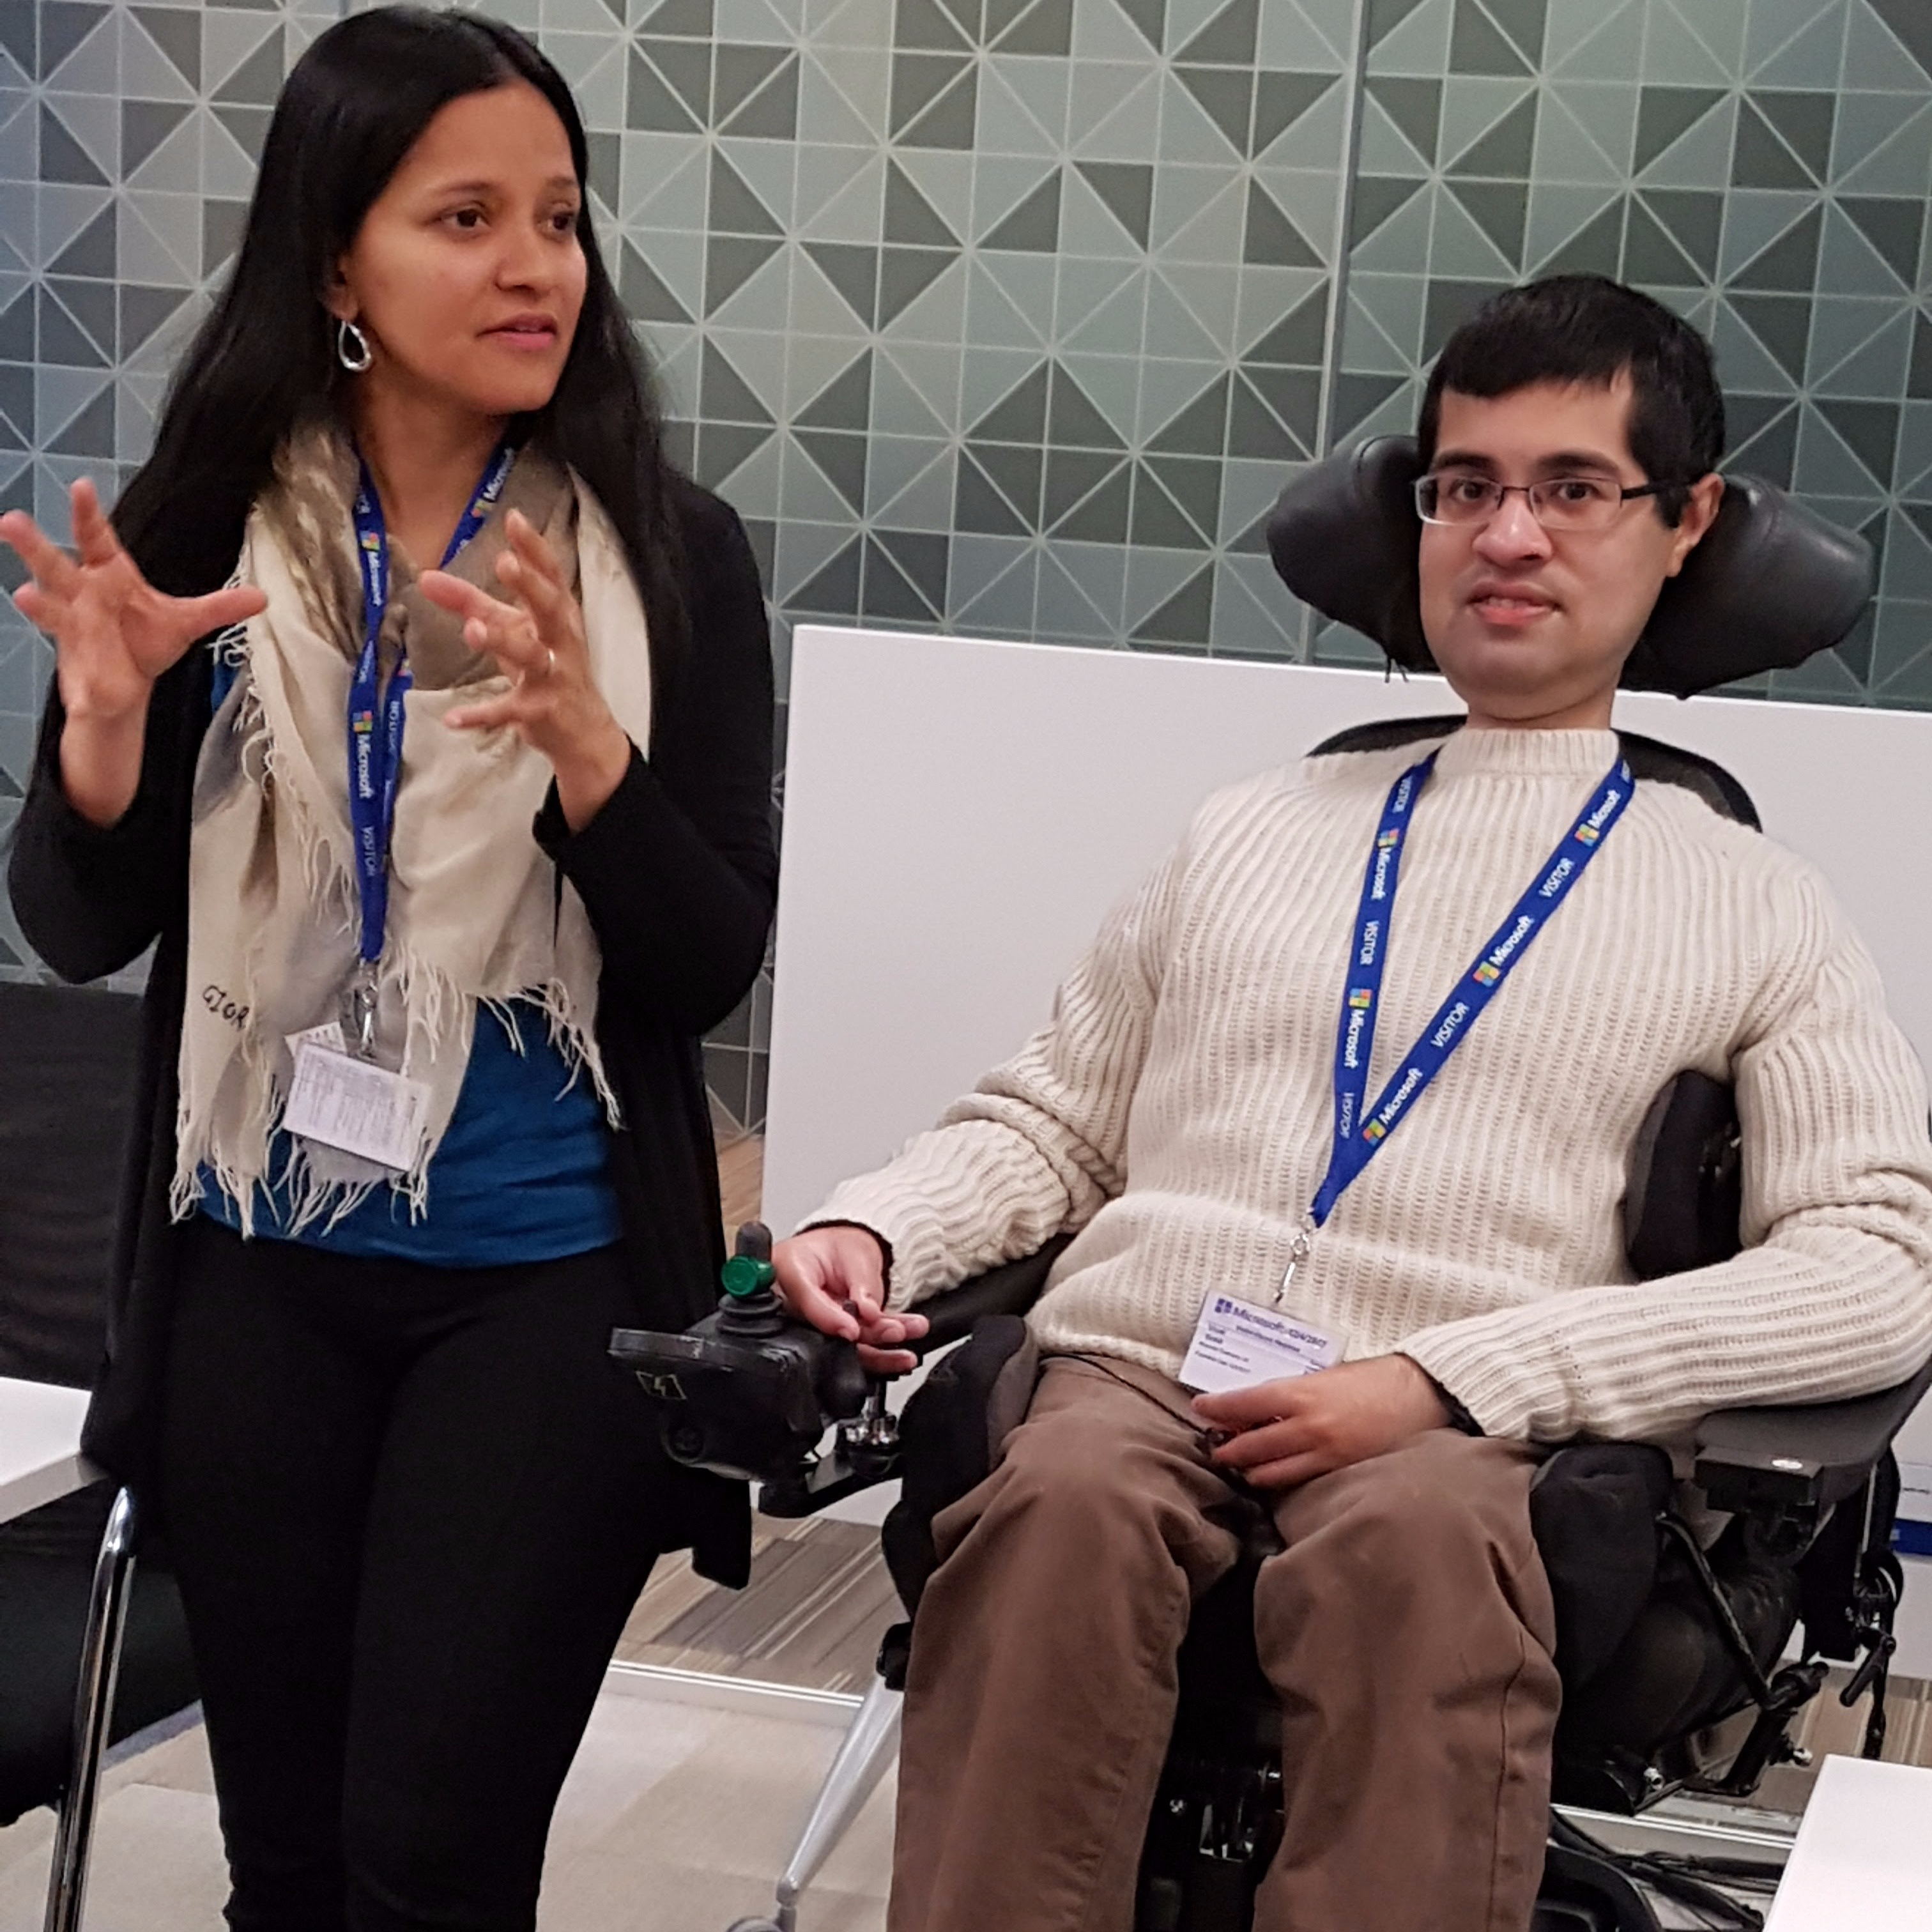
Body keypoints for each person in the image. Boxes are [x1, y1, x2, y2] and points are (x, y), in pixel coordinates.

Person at [772, 277, 1932, 1932]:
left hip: (1462, 1432)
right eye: (1466, 486)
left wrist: (1458, 1378)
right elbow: (1057, 1126)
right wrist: (877, 1225)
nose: (1508, 534)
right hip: (1143, 1372)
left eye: (1573, 487)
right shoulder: (1250, 829)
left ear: (1686, 525)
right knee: (1058, 1510)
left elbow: (1878, 1262)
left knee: (1414, 1556)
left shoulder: (1754, 903)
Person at [4, 10, 775, 1929]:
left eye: (560, 218)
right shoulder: (199, 538)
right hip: (255, 1282)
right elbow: (78, 923)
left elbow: (703, 966)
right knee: (283, 1873)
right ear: (337, 265)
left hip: (542, 1293)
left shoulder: (664, 558)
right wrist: (104, 740)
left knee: (430, 1866)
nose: (535, 267)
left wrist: (588, 753)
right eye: (467, 218)